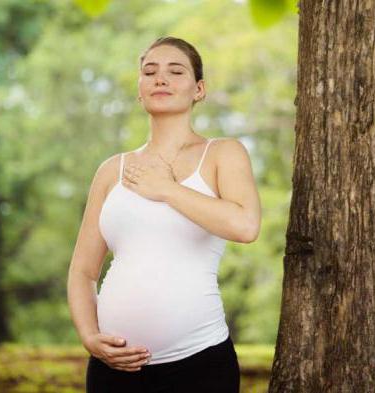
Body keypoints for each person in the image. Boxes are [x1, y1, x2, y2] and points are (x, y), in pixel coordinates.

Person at [67, 36, 261, 392]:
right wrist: (89, 336)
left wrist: (167, 189)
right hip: (114, 368)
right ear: (139, 90)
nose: (161, 79)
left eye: (176, 71)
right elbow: (82, 271)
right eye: (149, 72)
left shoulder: (222, 153)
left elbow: (245, 226)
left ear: (198, 89)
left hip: (200, 364)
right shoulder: (112, 170)